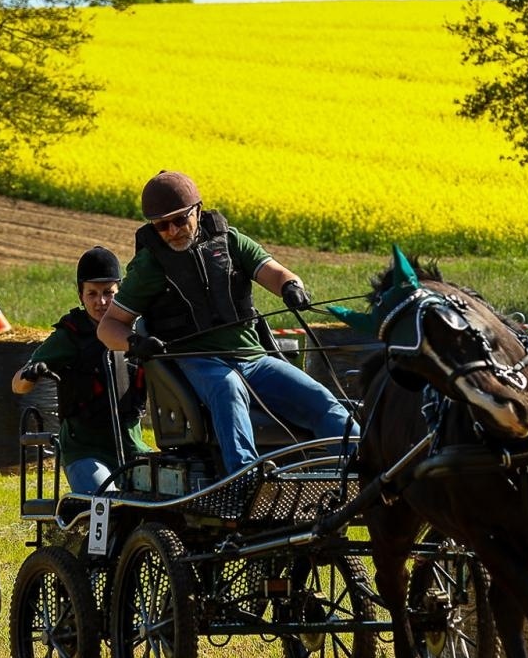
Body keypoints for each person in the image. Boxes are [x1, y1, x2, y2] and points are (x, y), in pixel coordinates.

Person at [97, 169, 354, 476]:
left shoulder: (231, 242)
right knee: (228, 387)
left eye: (180, 220)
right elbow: (108, 327)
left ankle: (364, 473)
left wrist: (291, 287)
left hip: (254, 359)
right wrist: (136, 343)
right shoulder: (148, 267)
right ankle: (245, 481)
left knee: (322, 401)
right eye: (162, 225)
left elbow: (276, 273)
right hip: (197, 363)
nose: (173, 230)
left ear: (198, 210)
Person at [12, 245, 150, 494]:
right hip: (85, 451)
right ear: (80, 295)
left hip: (133, 447)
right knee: (106, 502)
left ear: (121, 292)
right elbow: (17, 385)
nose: (101, 302)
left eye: (109, 292)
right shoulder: (69, 336)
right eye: (92, 294)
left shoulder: (138, 333)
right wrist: (32, 373)